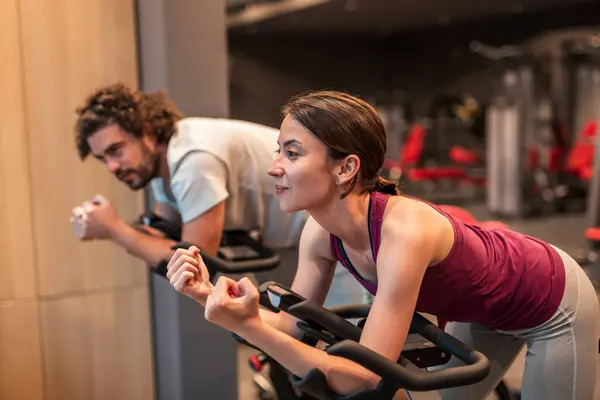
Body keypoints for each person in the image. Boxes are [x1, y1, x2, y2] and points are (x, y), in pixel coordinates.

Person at [165, 90, 599, 400]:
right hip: (482, 310)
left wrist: (245, 325)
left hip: (552, 303)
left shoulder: (402, 232)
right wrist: (210, 295)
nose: (273, 168)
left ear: (345, 168)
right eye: (278, 151)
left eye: (292, 153)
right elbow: (290, 327)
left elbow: (364, 377)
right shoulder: (320, 233)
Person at [71, 82, 306, 283]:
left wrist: (114, 229)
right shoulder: (166, 165)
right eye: (103, 158)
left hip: (328, 226)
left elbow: (197, 265)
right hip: (296, 238)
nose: (112, 166)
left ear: (148, 131)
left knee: (328, 330)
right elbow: (165, 236)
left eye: (116, 150)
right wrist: (105, 224)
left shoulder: (193, 160)